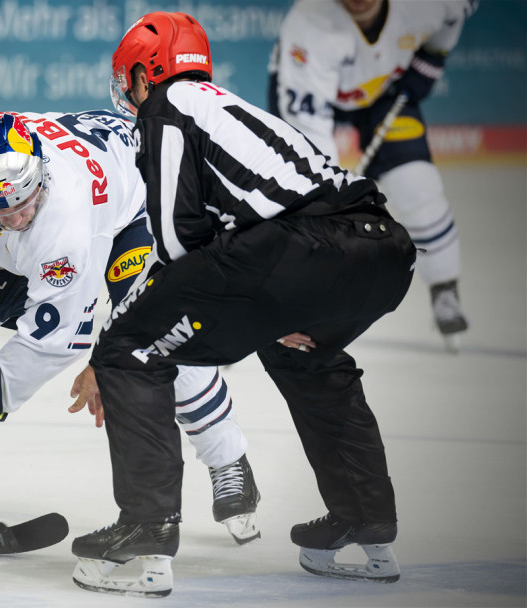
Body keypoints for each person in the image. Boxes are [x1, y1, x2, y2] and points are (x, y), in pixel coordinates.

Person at [67, 11, 416, 597]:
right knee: (307, 358)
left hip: (297, 256)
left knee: (128, 348)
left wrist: (117, 347)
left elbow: (180, 243)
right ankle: (367, 522)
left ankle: (147, 533)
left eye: (129, 77)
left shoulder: (169, 110)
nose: (127, 90)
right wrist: (268, 311)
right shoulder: (234, 107)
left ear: (146, 75)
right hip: (381, 250)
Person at [0, 63, 261, 545]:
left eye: (26, 201)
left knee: (157, 339)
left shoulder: (62, 229)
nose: (19, 216)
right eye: (2, 210)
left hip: (131, 207)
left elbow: (59, 339)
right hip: (23, 224)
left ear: (39, 173)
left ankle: (228, 458)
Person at [269, 0, 477, 352]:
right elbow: (312, 137)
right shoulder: (310, 23)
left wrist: (433, 56)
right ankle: (264, 302)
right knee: (297, 198)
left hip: (386, 92)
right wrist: (333, 199)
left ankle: (445, 289)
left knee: (417, 187)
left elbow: (456, 13)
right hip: (313, 97)